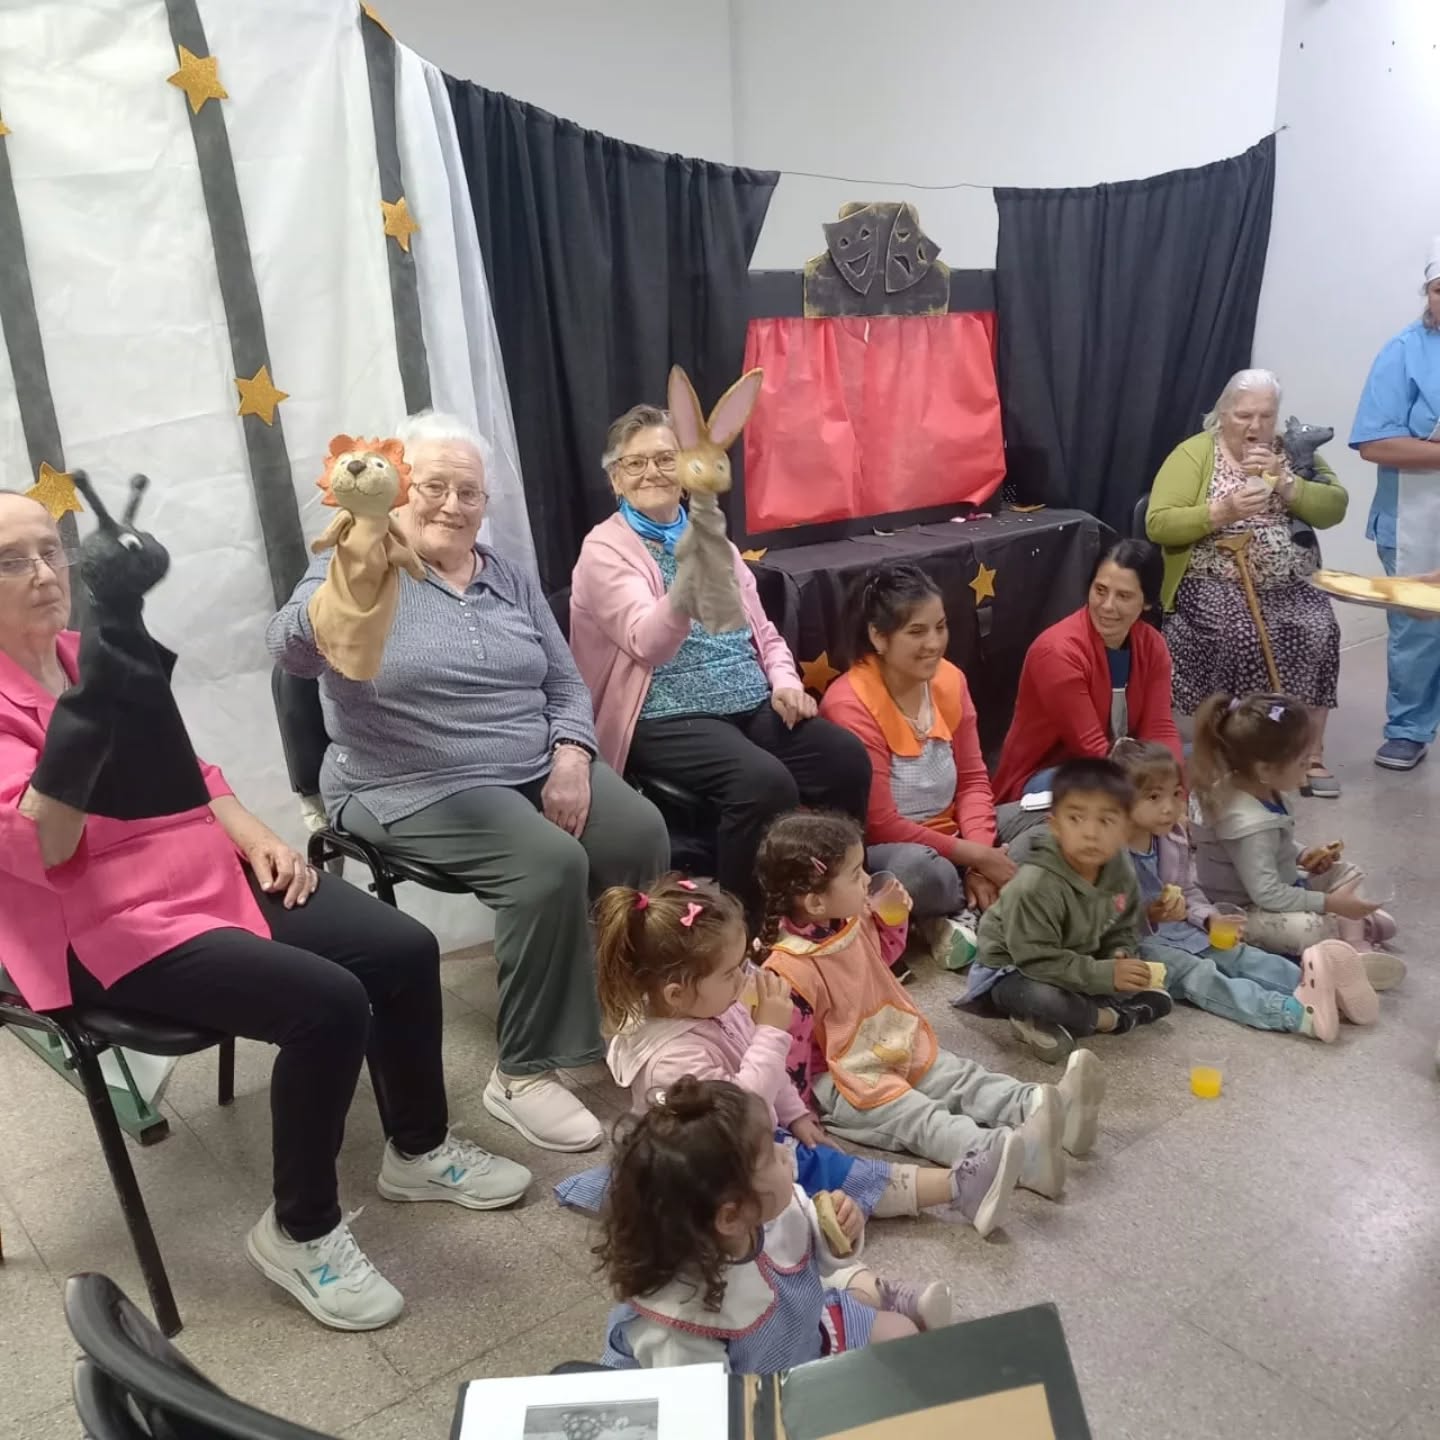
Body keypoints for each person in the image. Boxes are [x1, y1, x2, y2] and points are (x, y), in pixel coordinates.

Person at [0, 490, 530, 1332]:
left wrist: (254, 836)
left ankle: (419, 1148)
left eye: (48, 551)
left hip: (198, 870)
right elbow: (45, 848)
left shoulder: (79, 652)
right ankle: (300, 1230)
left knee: (400, 948)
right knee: (327, 1003)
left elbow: (191, 772)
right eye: (10, 560)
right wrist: (94, 703)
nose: (42, 573)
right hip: (96, 924)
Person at [268, 411, 669, 1154]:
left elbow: (563, 684)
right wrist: (350, 572)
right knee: (548, 864)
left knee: (639, 831)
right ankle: (523, 1073)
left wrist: (572, 756)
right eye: (434, 487)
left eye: (470, 492)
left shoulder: (505, 575)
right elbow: (290, 650)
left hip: (531, 761)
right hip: (405, 779)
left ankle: (626, 1006)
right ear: (398, 488)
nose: (452, 506)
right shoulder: (359, 564)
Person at [592, 873, 1022, 1238]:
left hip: (750, 1139)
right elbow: (737, 1117)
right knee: (825, 1174)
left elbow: (763, 1071)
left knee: (819, 1165)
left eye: (743, 963)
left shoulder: (713, 1006)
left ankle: (957, 1183)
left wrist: (796, 1114)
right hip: (713, 1173)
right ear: (676, 993)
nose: (746, 977)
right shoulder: (670, 1061)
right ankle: (956, 1186)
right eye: (730, 973)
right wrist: (771, 1032)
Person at [569, 403, 869, 909]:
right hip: (663, 714)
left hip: (748, 700)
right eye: (634, 463)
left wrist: (785, 682)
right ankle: (744, 928)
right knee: (763, 784)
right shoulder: (605, 550)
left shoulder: (716, 543)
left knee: (843, 759)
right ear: (616, 480)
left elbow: (764, 633)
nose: (651, 472)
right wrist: (688, 579)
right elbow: (647, 642)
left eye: (665, 459)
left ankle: (829, 898)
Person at [755, 811, 1103, 1199]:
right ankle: (1018, 1157)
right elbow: (790, 1056)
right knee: (917, 1117)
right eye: (855, 875)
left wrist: (892, 920)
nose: (867, 880)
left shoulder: (848, 918)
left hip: (886, 1040)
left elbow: (879, 961)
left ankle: (1047, 1107)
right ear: (816, 902)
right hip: (841, 1080)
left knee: (959, 1077)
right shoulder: (789, 970)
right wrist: (800, 1116)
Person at [597, 1078, 956, 1371]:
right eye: (771, 1154)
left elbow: (813, 1246)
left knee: (902, 1335)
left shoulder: (766, 1212)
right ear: (730, 1216)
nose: (786, 1153)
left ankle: (868, 1299)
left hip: (802, 1333)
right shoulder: (680, 1326)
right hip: (752, 1395)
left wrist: (842, 1229)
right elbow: (707, 1414)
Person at [1147, 369, 1348, 797]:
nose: (1255, 426)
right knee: (1242, 635)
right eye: (1243, 415)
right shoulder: (1194, 453)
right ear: (1223, 413)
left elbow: (1334, 508)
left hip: (1289, 582)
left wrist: (1288, 484)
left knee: (1319, 628)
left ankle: (1305, 754)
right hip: (1211, 579)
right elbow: (1158, 523)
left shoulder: (1290, 451)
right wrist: (1223, 511)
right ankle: (1240, 752)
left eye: (1266, 415)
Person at [818, 562, 1023, 925]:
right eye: (917, 632)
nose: (934, 643)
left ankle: (970, 897)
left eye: (940, 627)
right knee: (916, 874)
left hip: (960, 836)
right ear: (879, 637)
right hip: (894, 850)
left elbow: (973, 780)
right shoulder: (849, 705)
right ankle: (972, 904)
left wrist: (980, 859)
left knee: (1050, 818)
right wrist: (976, 856)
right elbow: (881, 824)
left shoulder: (951, 679)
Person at [1114, 739, 1356, 1042]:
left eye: (1176, 793)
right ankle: (1290, 1012)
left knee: (1240, 955)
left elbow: (1186, 888)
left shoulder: (1171, 838)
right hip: (1140, 946)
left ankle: (1322, 985)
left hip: (1181, 929)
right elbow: (1107, 918)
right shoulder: (1110, 855)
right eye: (1153, 797)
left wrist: (1209, 917)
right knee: (1200, 975)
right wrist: (1149, 914)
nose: (1169, 807)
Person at [966, 759, 1173, 1063]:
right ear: (1055, 825)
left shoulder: (1119, 868)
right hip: (1015, 968)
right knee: (1042, 997)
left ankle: (1053, 1020)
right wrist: (1105, 974)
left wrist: (1119, 953)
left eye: (1106, 821)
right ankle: (1111, 1018)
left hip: (1077, 955)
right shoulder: (1036, 884)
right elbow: (1037, 961)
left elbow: (1123, 925)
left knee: (1148, 964)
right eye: (1076, 818)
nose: (1090, 833)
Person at [1188, 694, 1405, 974]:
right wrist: (1329, 903)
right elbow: (1267, 895)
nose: (1307, 770)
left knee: (1350, 872)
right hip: (1245, 908)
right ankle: (1350, 931)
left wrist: (1303, 854)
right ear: (1265, 769)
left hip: (1282, 883)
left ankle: (1353, 934)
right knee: (1310, 928)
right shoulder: (1247, 824)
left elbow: (1275, 842)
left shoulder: (1259, 786)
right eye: (1303, 762)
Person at [991, 540, 1182, 806]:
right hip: (1047, 776)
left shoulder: (1153, 645)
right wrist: (1156, 795)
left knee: (1188, 762)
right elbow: (1090, 747)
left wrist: (1176, 792)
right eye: (1100, 590)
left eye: (1123, 596)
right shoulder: (1057, 652)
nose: (1107, 606)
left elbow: (1159, 728)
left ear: (1147, 602)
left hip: (1120, 767)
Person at [1350, 242, 1440, 772]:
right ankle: (1408, 728)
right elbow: (1374, 442)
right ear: (1427, 293)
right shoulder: (1403, 352)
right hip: (1415, 517)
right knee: (1419, 623)